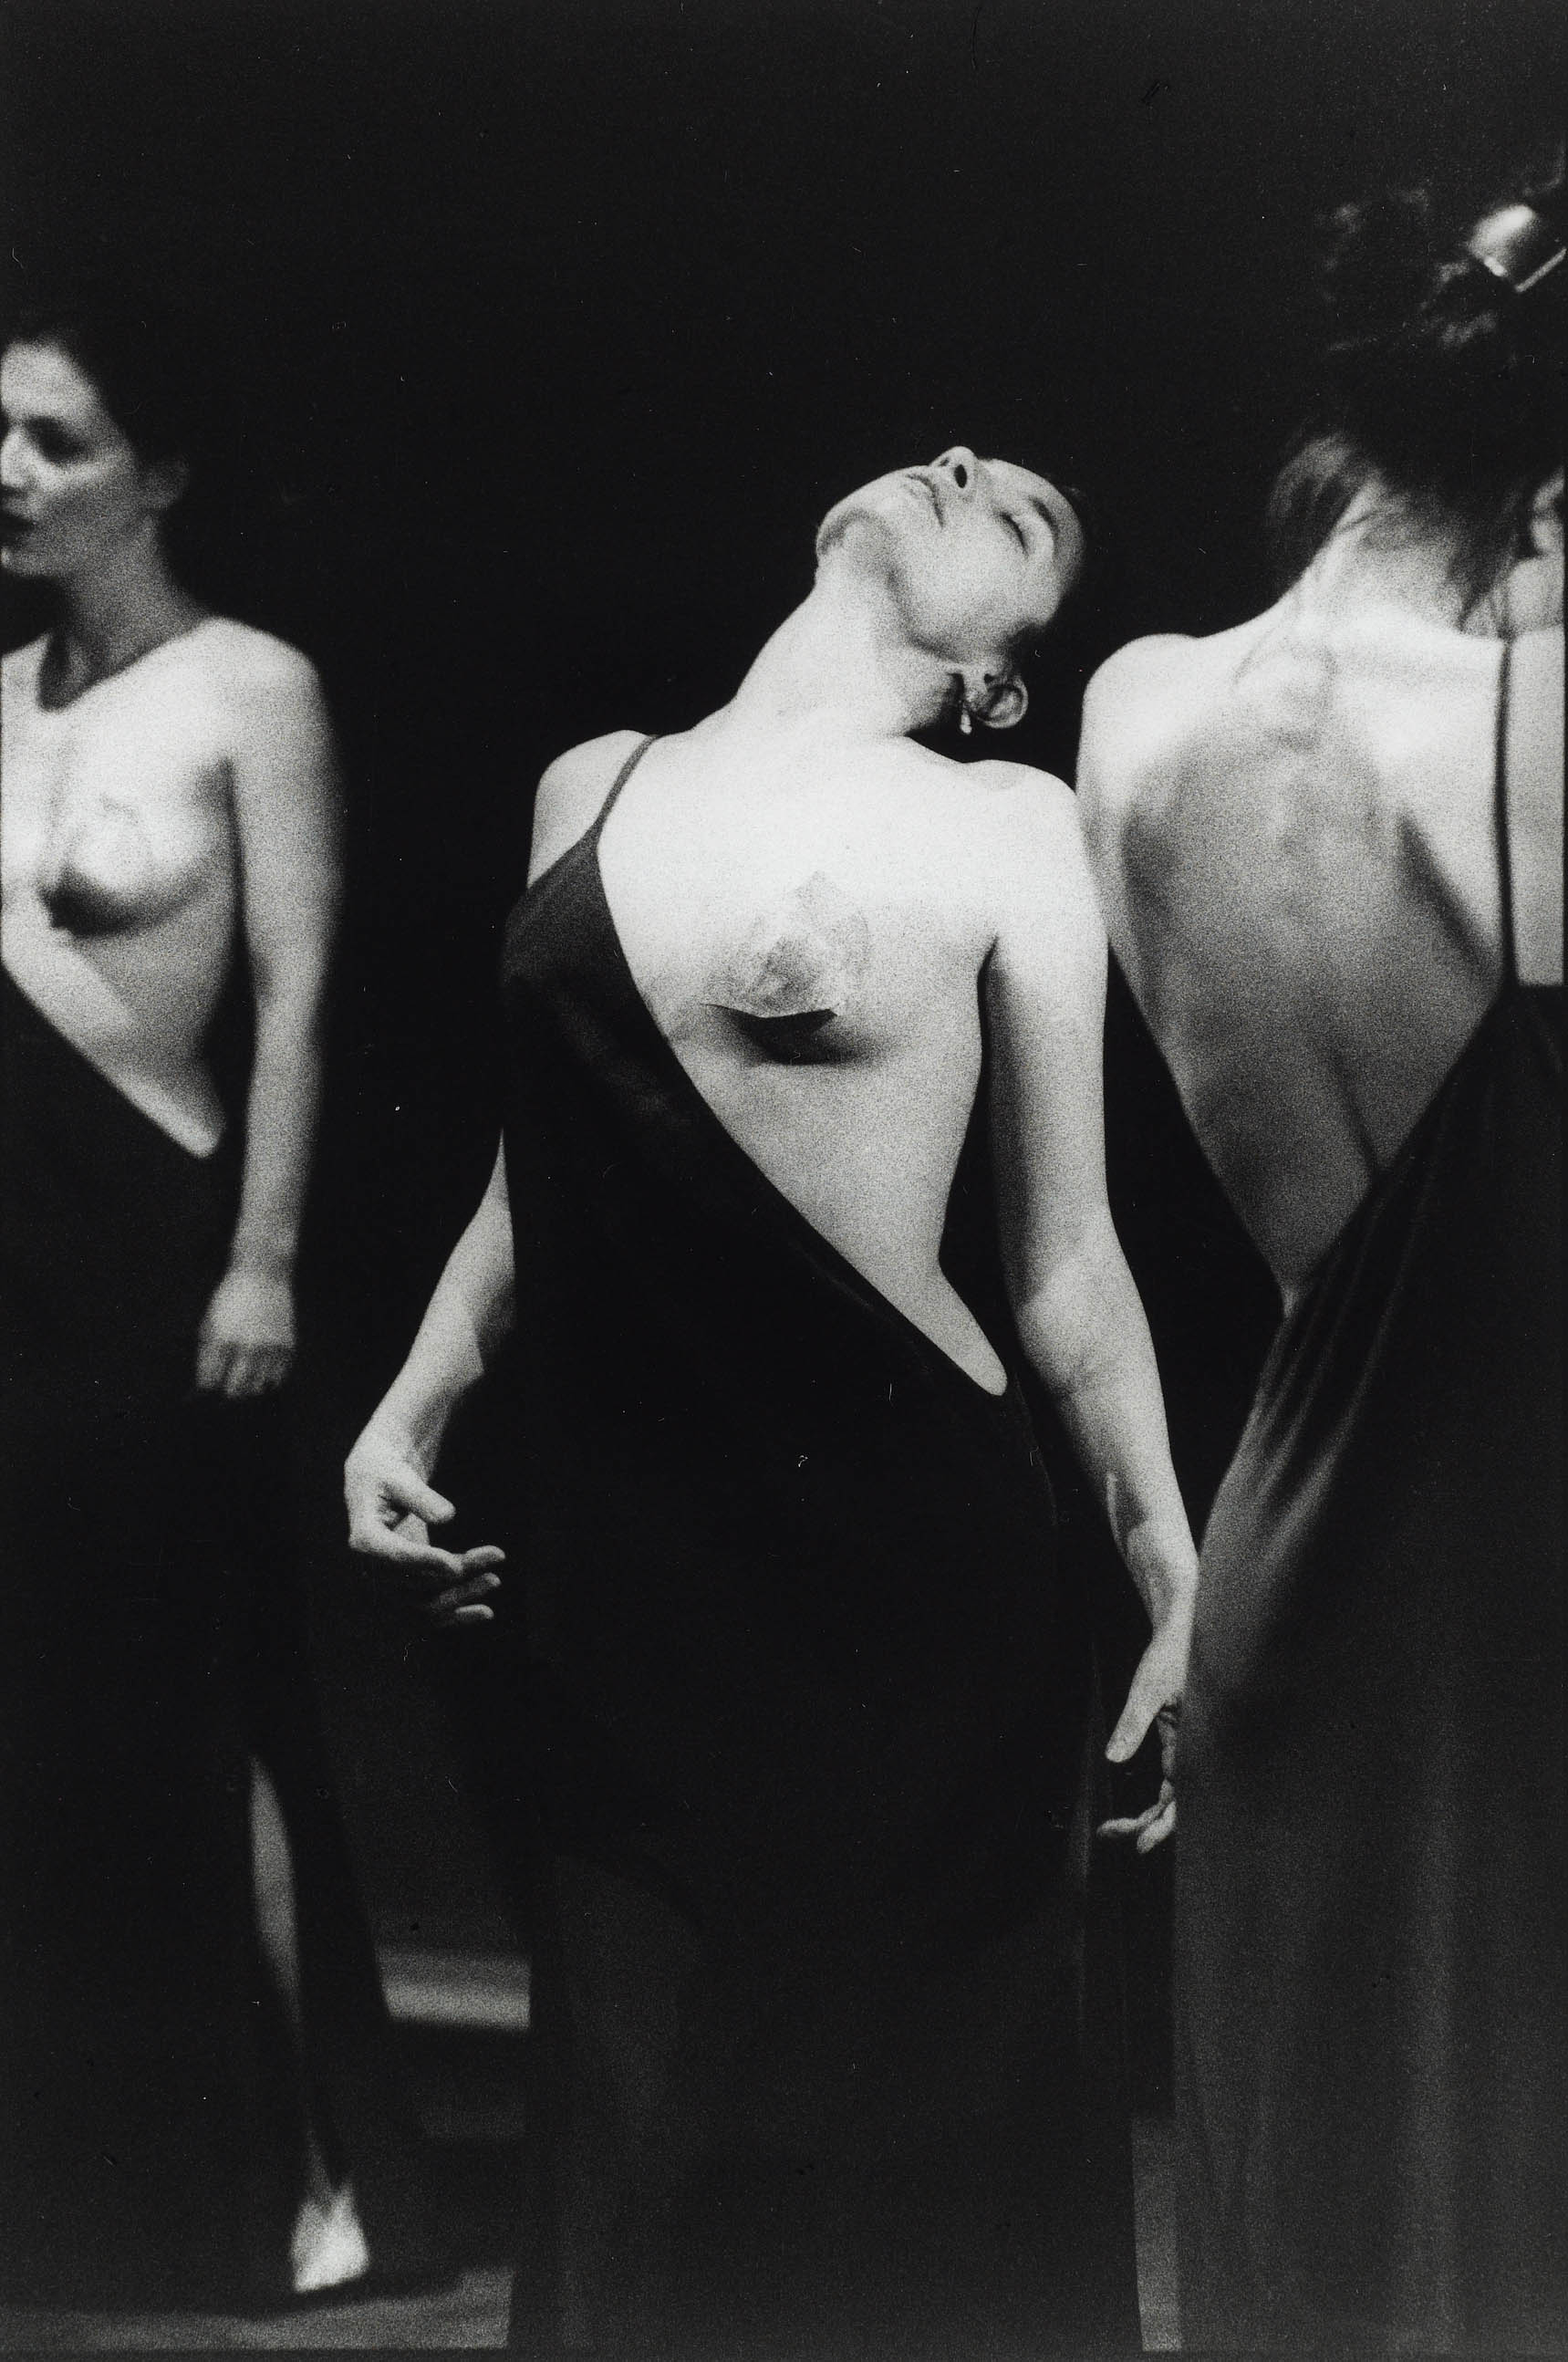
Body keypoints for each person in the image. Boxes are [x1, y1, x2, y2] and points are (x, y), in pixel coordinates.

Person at [347, 443, 1198, 2358]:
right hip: (632, 1564)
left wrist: (1169, 1561)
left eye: (1026, 519)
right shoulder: (593, 780)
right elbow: (527, 1175)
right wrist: (406, 1405)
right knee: (645, 2154)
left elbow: (1066, 1263)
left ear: (998, 679)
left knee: (903, 2161)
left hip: (904, 1571)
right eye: (963, 460)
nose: (965, 465)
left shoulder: (1006, 817)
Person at [1077, 170, 1564, 2355]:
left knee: (1327, 2250)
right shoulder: (1529, 722)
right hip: (1518, 1597)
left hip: (1291, 1566)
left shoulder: (1128, 709)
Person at [0, 298, 446, 2312]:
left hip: (153, 1238)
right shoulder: (0, 695)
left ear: (161, 471)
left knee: (193, 1693)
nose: (10, 471)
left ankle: (295, 2170)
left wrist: (262, 1251)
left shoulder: (252, 686)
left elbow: (300, 990)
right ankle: (74, 2178)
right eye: (0, 431)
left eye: (58, 438)